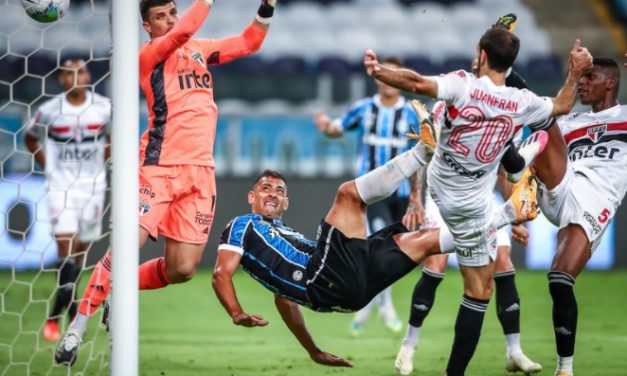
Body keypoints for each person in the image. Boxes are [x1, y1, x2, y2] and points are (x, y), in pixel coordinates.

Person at [55, 0, 276, 365]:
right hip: (158, 167)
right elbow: (186, 30)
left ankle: (119, 291)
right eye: (161, 17)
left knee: (183, 269)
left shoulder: (200, 51)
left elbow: (250, 42)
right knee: (128, 247)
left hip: (200, 172)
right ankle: (77, 327)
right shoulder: (148, 56)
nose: (171, 21)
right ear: (146, 26)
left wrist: (266, 7)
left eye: (173, 13)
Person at [212, 122, 539, 367]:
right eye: (265, 188)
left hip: (348, 292)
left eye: (280, 191)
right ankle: (421, 152)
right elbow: (220, 274)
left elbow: (285, 301)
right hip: (324, 280)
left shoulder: (281, 239)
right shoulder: (242, 226)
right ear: (251, 197)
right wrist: (236, 312)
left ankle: (506, 214)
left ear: (286, 203)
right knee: (348, 196)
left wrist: (313, 351)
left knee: (423, 242)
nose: (273, 193)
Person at [363, 27, 592, 375]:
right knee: (478, 291)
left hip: (445, 184)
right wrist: (575, 71)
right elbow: (562, 104)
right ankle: (511, 197)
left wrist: (379, 70)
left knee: (484, 241)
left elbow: (414, 82)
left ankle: (514, 181)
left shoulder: (462, 84)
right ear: (511, 64)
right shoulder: (521, 101)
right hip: (470, 203)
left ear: (482, 56)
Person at [395, 55, 542, 375]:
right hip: (444, 192)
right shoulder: (451, 100)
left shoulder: (506, 115)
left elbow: (507, 170)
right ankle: (409, 344)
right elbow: (424, 148)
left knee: (504, 263)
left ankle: (514, 350)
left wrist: (513, 217)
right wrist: (415, 199)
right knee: (435, 263)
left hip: (481, 197)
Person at [531, 57, 627, 376]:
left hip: (595, 197)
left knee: (559, 280)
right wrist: (571, 76)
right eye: (580, 78)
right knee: (542, 122)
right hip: (561, 186)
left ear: (610, 83)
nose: (583, 83)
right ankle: (516, 203)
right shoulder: (571, 120)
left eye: (590, 77)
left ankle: (564, 370)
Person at [315, 56, 421, 336]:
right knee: (375, 240)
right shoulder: (364, 109)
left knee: (389, 249)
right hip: (371, 194)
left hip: (401, 193)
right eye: (387, 73)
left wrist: (417, 196)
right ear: (379, 78)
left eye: (397, 73)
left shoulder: (412, 114)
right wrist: (324, 124)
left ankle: (368, 307)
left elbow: (422, 156)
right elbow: (337, 129)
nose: (390, 79)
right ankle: (385, 307)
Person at [24, 58, 111, 342]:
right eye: (68, 72)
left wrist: (101, 159)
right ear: (61, 79)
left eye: (81, 70)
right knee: (66, 248)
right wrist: (49, 165)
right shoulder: (49, 110)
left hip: (93, 187)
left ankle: (59, 314)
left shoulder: (104, 107)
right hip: (61, 186)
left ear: (88, 75)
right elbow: (30, 138)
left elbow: (116, 137)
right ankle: (67, 315)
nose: (75, 76)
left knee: (78, 256)